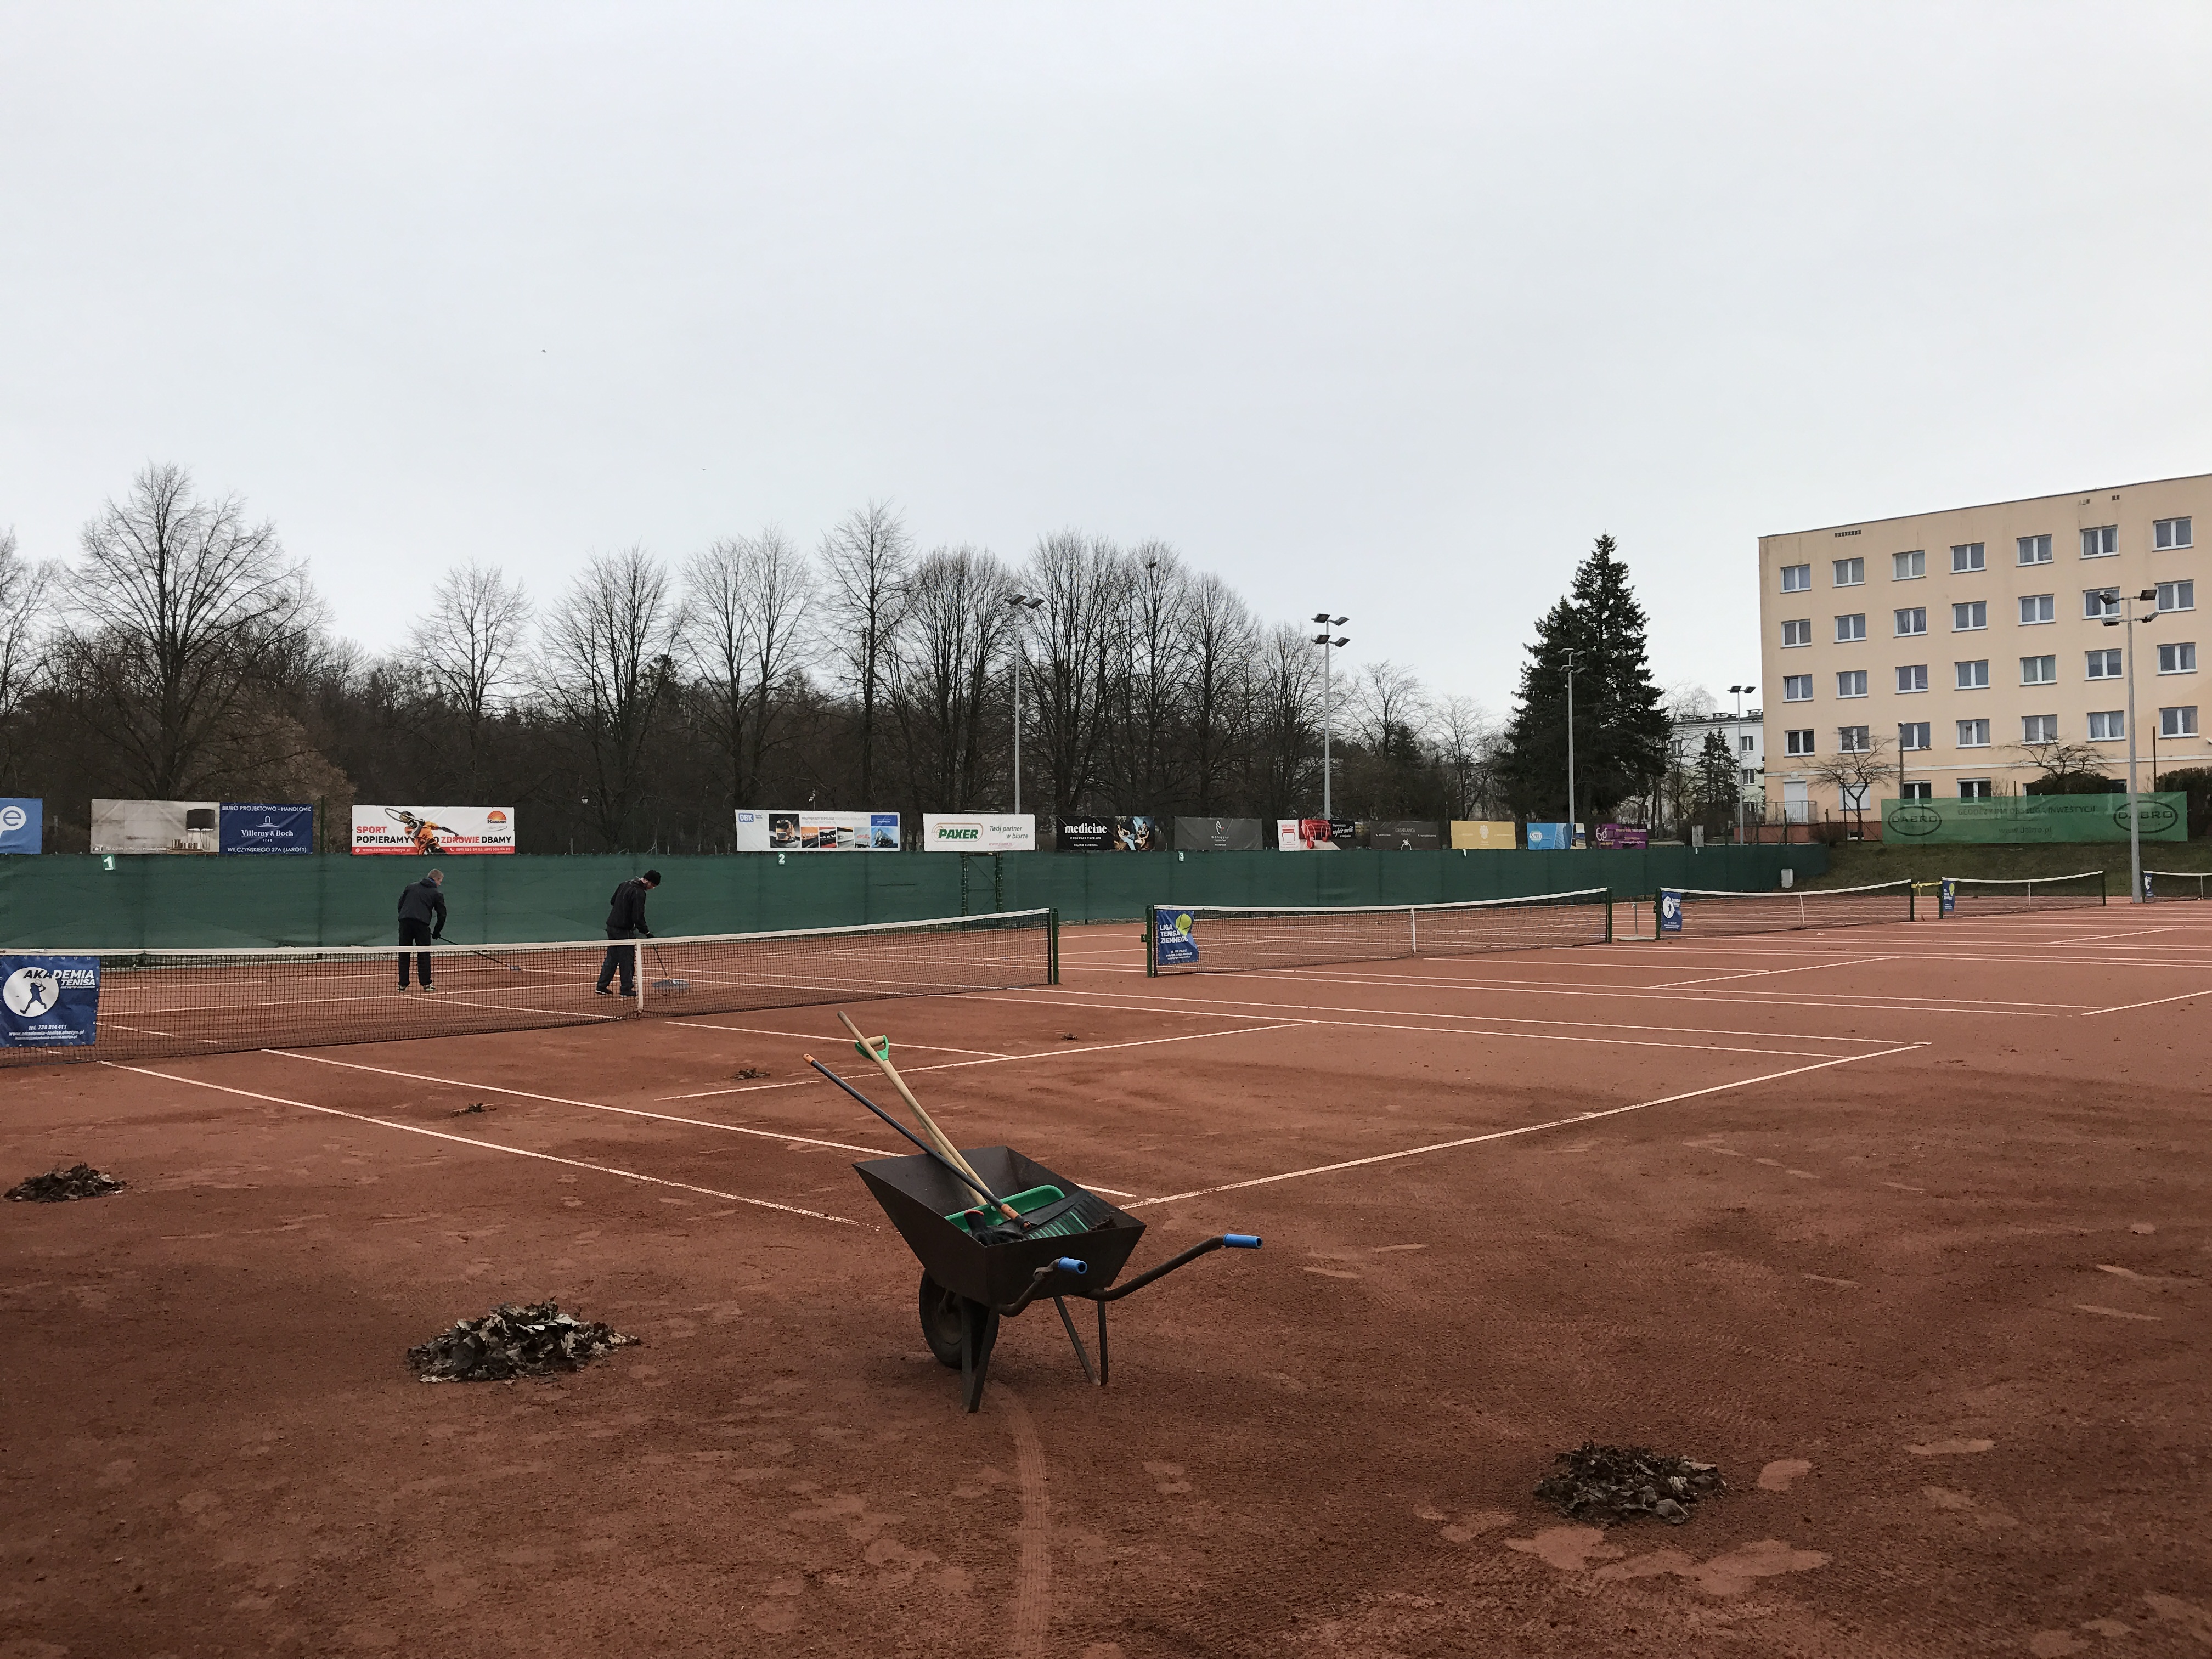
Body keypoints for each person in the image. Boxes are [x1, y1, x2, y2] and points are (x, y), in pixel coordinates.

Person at [596, 869, 661, 997]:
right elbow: (638, 917)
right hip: (623, 930)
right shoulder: (639, 893)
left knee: (612, 957)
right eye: (652, 885)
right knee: (627, 959)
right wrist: (647, 932)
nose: (652, 888)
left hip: (611, 926)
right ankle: (626, 989)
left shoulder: (624, 884)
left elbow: (613, 901)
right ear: (647, 881)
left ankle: (601, 986)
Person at [397, 868, 447, 990]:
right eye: (440, 881)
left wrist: (405, 918)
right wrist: (437, 932)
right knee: (424, 954)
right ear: (436, 879)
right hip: (421, 925)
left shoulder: (411, 887)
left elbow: (400, 905)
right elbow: (442, 915)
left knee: (404, 953)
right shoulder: (437, 894)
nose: (440, 884)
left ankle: (402, 984)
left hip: (405, 923)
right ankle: (426, 983)